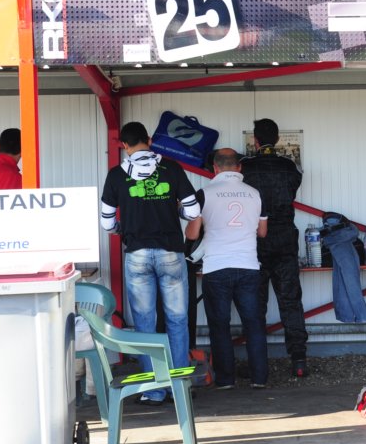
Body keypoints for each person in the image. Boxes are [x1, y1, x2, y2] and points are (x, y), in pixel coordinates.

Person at [100, 121, 200, 405]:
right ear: (149, 140)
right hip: (171, 253)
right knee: (177, 319)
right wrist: (174, 210)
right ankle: (179, 388)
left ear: (124, 145)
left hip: (137, 254)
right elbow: (193, 211)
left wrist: (123, 228)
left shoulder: (116, 174)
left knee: (145, 323)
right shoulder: (171, 168)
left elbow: (107, 223)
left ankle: (154, 389)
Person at [185, 148, 268, 389]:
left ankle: (225, 379)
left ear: (215, 168)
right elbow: (262, 232)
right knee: (254, 323)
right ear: (239, 167)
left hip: (216, 267)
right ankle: (259, 378)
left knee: (219, 325)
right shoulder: (255, 194)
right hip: (248, 266)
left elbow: (192, 234)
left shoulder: (204, 194)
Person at [240, 118, 310, 377]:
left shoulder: (245, 168)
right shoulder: (289, 167)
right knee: (291, 301)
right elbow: (293, 189)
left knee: (255, 305)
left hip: (255, 242)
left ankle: (258, 364)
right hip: (285, 240)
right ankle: (299, 360)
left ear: (255, 140)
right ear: (278, 139)